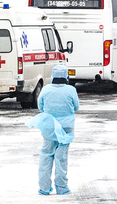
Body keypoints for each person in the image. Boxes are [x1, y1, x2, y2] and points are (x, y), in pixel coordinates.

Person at [26, 64, 79, 196]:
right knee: (62, 157)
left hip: (49, 128)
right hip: (66, 128)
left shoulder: (46, 89)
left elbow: (40, 106)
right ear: (66, 76)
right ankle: (61, 186)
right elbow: (76, 107)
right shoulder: (71, 90)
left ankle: (44, 188)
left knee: (46, 156)